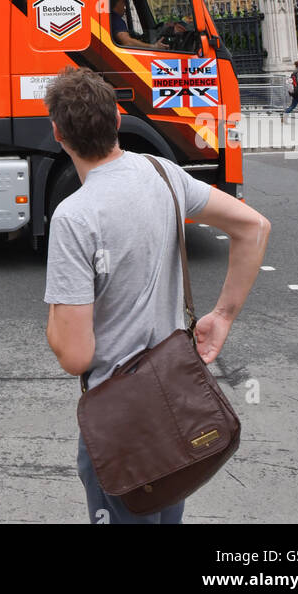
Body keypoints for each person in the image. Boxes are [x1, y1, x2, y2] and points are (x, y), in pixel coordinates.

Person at [43, 66, 270, 525]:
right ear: (117, 121)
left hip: (121, 421)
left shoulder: (74, 217)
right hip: (173, 403)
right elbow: (254, 226)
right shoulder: (163, 173)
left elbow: (75, 354)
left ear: (57, 134)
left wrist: (53, 316)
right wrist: (222, 316)